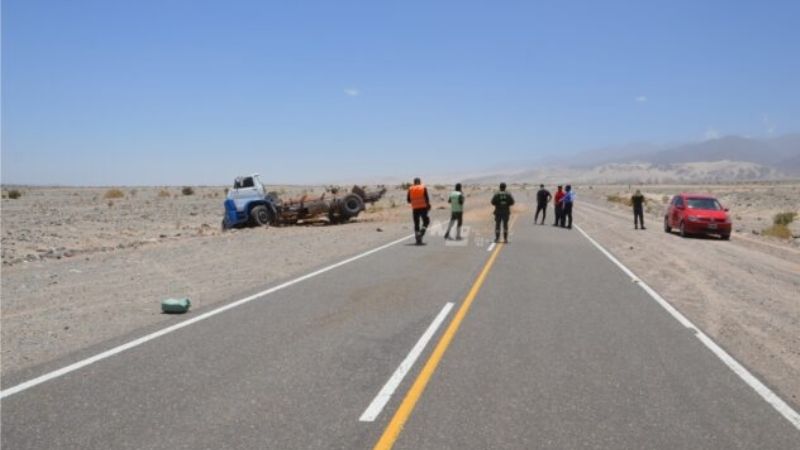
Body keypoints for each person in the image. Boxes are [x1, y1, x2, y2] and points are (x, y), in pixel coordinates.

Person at [407, 177, 431, 245]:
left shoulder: (410, 188)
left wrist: (414, 201)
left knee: (416, 223)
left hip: (415, 208)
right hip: (423, 207)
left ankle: (418, 238)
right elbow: (427, 198)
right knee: (426, 221)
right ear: (420, 182)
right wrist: (428, 205)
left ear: (414, 182)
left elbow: (408, 200)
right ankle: (422, 232)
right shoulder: (423, 187)